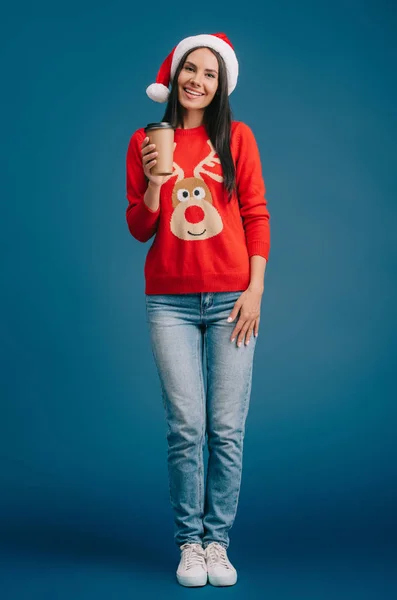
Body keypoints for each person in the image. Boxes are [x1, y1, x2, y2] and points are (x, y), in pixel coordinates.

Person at [125, 32, 271, 587]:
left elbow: (256, 213)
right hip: (169, 302)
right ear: (175, 75)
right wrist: (157, 187)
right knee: (187, 426)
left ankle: (218, 543)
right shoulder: (145, 139)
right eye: (191, 70)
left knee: (227, 428)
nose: (199, 81)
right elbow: (139, 228)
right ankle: (189, 542)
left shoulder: (237, 137)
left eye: (210, 74)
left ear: (222, 84)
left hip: (234, 298)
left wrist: (255, 289)